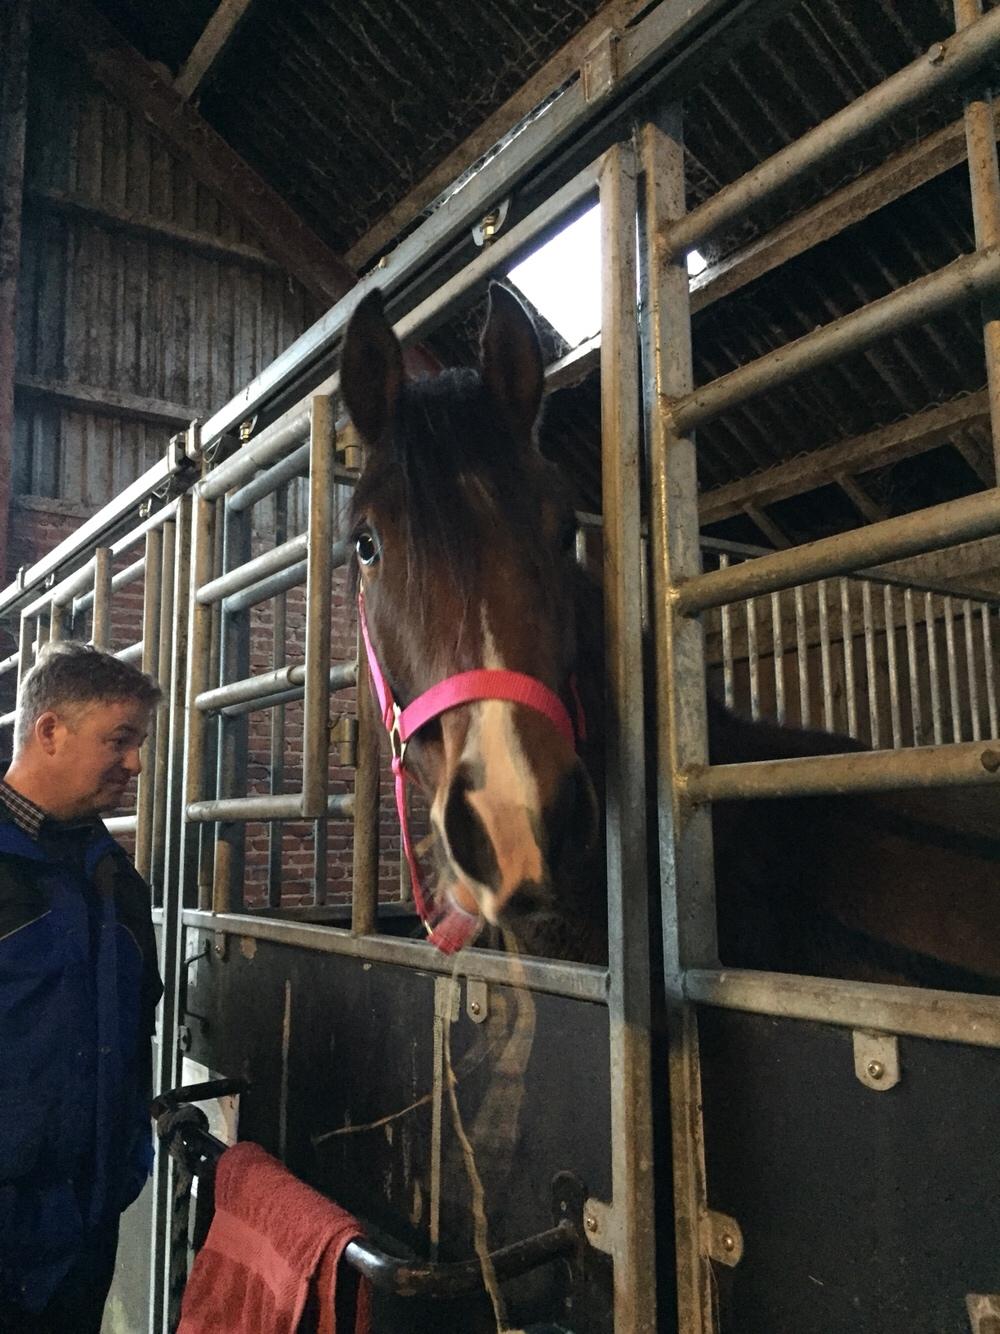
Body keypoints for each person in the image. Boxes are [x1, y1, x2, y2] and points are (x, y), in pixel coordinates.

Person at [0, 642, 164, 1333]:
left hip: (82, 1237)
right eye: (119, 740)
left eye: (138, 744)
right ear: (50, 731)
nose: (135, 763)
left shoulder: (115, 880)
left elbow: (134, 1030)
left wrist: (121, 1171)